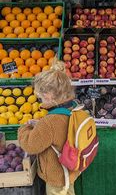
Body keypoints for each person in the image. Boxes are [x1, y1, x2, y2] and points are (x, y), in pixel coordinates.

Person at [18, 59, 80, 195]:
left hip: (56, 177)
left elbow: (31, 145)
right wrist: (40, 125)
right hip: (70, 171)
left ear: (48, 96)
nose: (40, 99)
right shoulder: (74, 109)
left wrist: (24, 128)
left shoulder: (50, 122)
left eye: (40, 97)